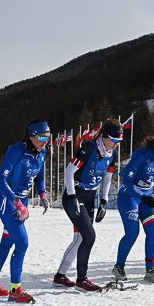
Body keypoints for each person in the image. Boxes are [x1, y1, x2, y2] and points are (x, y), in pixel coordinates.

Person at [0, 120, 53, 303]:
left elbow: (39, 177)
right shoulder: (17, 151)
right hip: (7, 200)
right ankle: (15, 289)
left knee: (7, 241)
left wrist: (42, 193)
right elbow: (0, 180)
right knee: (22, 243)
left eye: (48, 138)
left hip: (22, 200)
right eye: (42, 138)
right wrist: (16, 201)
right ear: (31, 136)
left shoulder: (42, 152)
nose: (45, 142)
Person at [54, 119, 121, 291]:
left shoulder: (111, 153)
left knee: (80, 239)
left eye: (119, 141)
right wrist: (72, 197)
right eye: (114, 140)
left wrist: (104, 201)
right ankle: (81, 280)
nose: (116, 144)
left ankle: (60, 277)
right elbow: (69, 171)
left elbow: (107, 177)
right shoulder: (89, 148)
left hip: (90, 197)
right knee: (89, 236)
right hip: (75, 194)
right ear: (105, 136)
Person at [113, 131, 154, 283]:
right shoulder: (141, 155)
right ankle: (119, 266)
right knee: (132, 233)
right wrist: (143, 195)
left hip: (146, 198)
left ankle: (150, 270)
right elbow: (126, 181)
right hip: (129, 197)